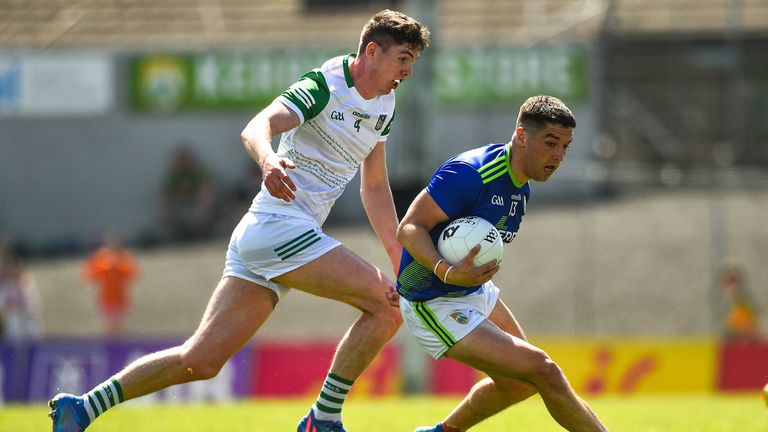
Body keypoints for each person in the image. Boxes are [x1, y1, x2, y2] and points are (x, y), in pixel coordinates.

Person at [49, 9, 430, 432]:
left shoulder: (385, 104)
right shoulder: (327, 85)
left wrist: (397, 255)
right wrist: (268, 161)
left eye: (413, 61)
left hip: (273, 235)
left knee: (201, 360)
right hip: (280, 227)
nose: (409, 71)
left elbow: (374, 186)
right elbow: (257, 125)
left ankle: (82, 407)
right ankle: (322, 418)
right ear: (372, 51)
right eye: (404, 58)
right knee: (386, 308)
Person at [396, 95, 608, 432]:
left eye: (565, 147)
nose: (558, 156)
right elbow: (409, 227)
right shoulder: (471, 173)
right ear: (521, 136)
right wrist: (446, 271)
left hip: (474, 291)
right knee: (544, 370)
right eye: (550, 143)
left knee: (522, 383)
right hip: (432, 301)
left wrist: (464, 275)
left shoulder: (521, 189)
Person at [81, 232, 139, 338]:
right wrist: (108, 266)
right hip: (106, 300)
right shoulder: (101, 255)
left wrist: (118, 265)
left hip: (121, 300)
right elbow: (90, 273)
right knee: (108, 330)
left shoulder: (124, 255)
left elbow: (132, 273)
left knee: (121, 331)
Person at [159, 144, 216, 242]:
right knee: (164, 207)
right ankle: (176, 234)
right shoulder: (174, 175)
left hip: (196, 202)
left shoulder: (198, 172)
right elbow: (167, 193)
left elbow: (206, 187)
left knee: (205, 201)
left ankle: (200, 232)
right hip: (180, 203)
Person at [718, 261, 760, 341]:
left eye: (734, 282)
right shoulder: (721, 303)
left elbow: (751, 326)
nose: (732, 287)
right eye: (729, 282)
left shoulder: (746, 302)